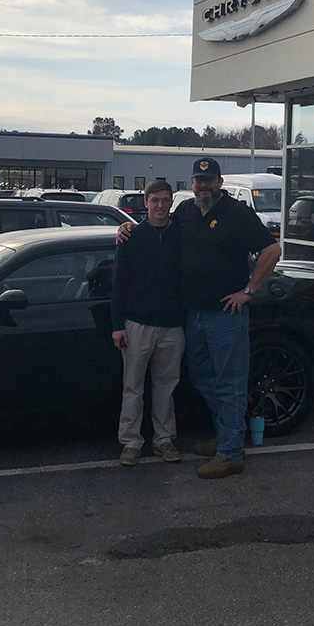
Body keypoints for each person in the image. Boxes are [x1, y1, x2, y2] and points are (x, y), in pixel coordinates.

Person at [118, 157, 281, 479]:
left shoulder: (238, 213)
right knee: (204, 378)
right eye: (198, 180)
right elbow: (157, 230)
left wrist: (248, 291)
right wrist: (127, 227)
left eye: (209, 180)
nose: (203, 186)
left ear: (219, 183)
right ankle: (227, 434)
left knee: (230, 384)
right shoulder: (187, 213)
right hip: (192, 315)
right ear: (192, 184)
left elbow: (271, 250)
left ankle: (231, 452)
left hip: (226, 316)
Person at [110, 180, 185, 467]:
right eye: (155, 200)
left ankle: (164, 440)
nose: (161, 205)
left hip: (172, 325)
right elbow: (119, 284)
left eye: (166, 200)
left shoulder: (181, 235)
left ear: (171, 203)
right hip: (136, 324)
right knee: (133, 387)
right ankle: (131, 442)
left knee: (166, 386)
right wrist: (117, 325)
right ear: (146, 203)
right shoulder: (131, 237)